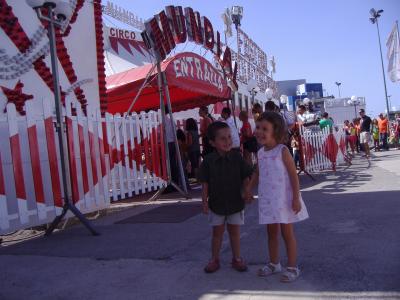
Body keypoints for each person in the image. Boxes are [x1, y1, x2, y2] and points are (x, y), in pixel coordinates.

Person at [248, 111, 309, 282]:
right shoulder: (260, 153)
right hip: (267, 199)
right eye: (258, 127)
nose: (259, 131)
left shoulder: (283, 151)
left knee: (287, 233)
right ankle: (274, 263)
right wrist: (248, 189)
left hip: (283, 200)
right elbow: (258, 173)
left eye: (264, 128)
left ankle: (292, 267)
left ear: (275, 132)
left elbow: (293, 176)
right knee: (271, 232)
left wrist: (296, 198)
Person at [197, 121, 253, 273]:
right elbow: (205, 183)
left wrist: (247, 191)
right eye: (222, 138)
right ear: (212, 142)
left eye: (229, 137)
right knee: (217, 234)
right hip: (216, 204)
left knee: (235, 233)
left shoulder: (237, 157)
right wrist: (204, 202)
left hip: (236, 202)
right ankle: (214, 259)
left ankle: (237, 259)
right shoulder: (208, 161)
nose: (228, 141)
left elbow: (245, 176)